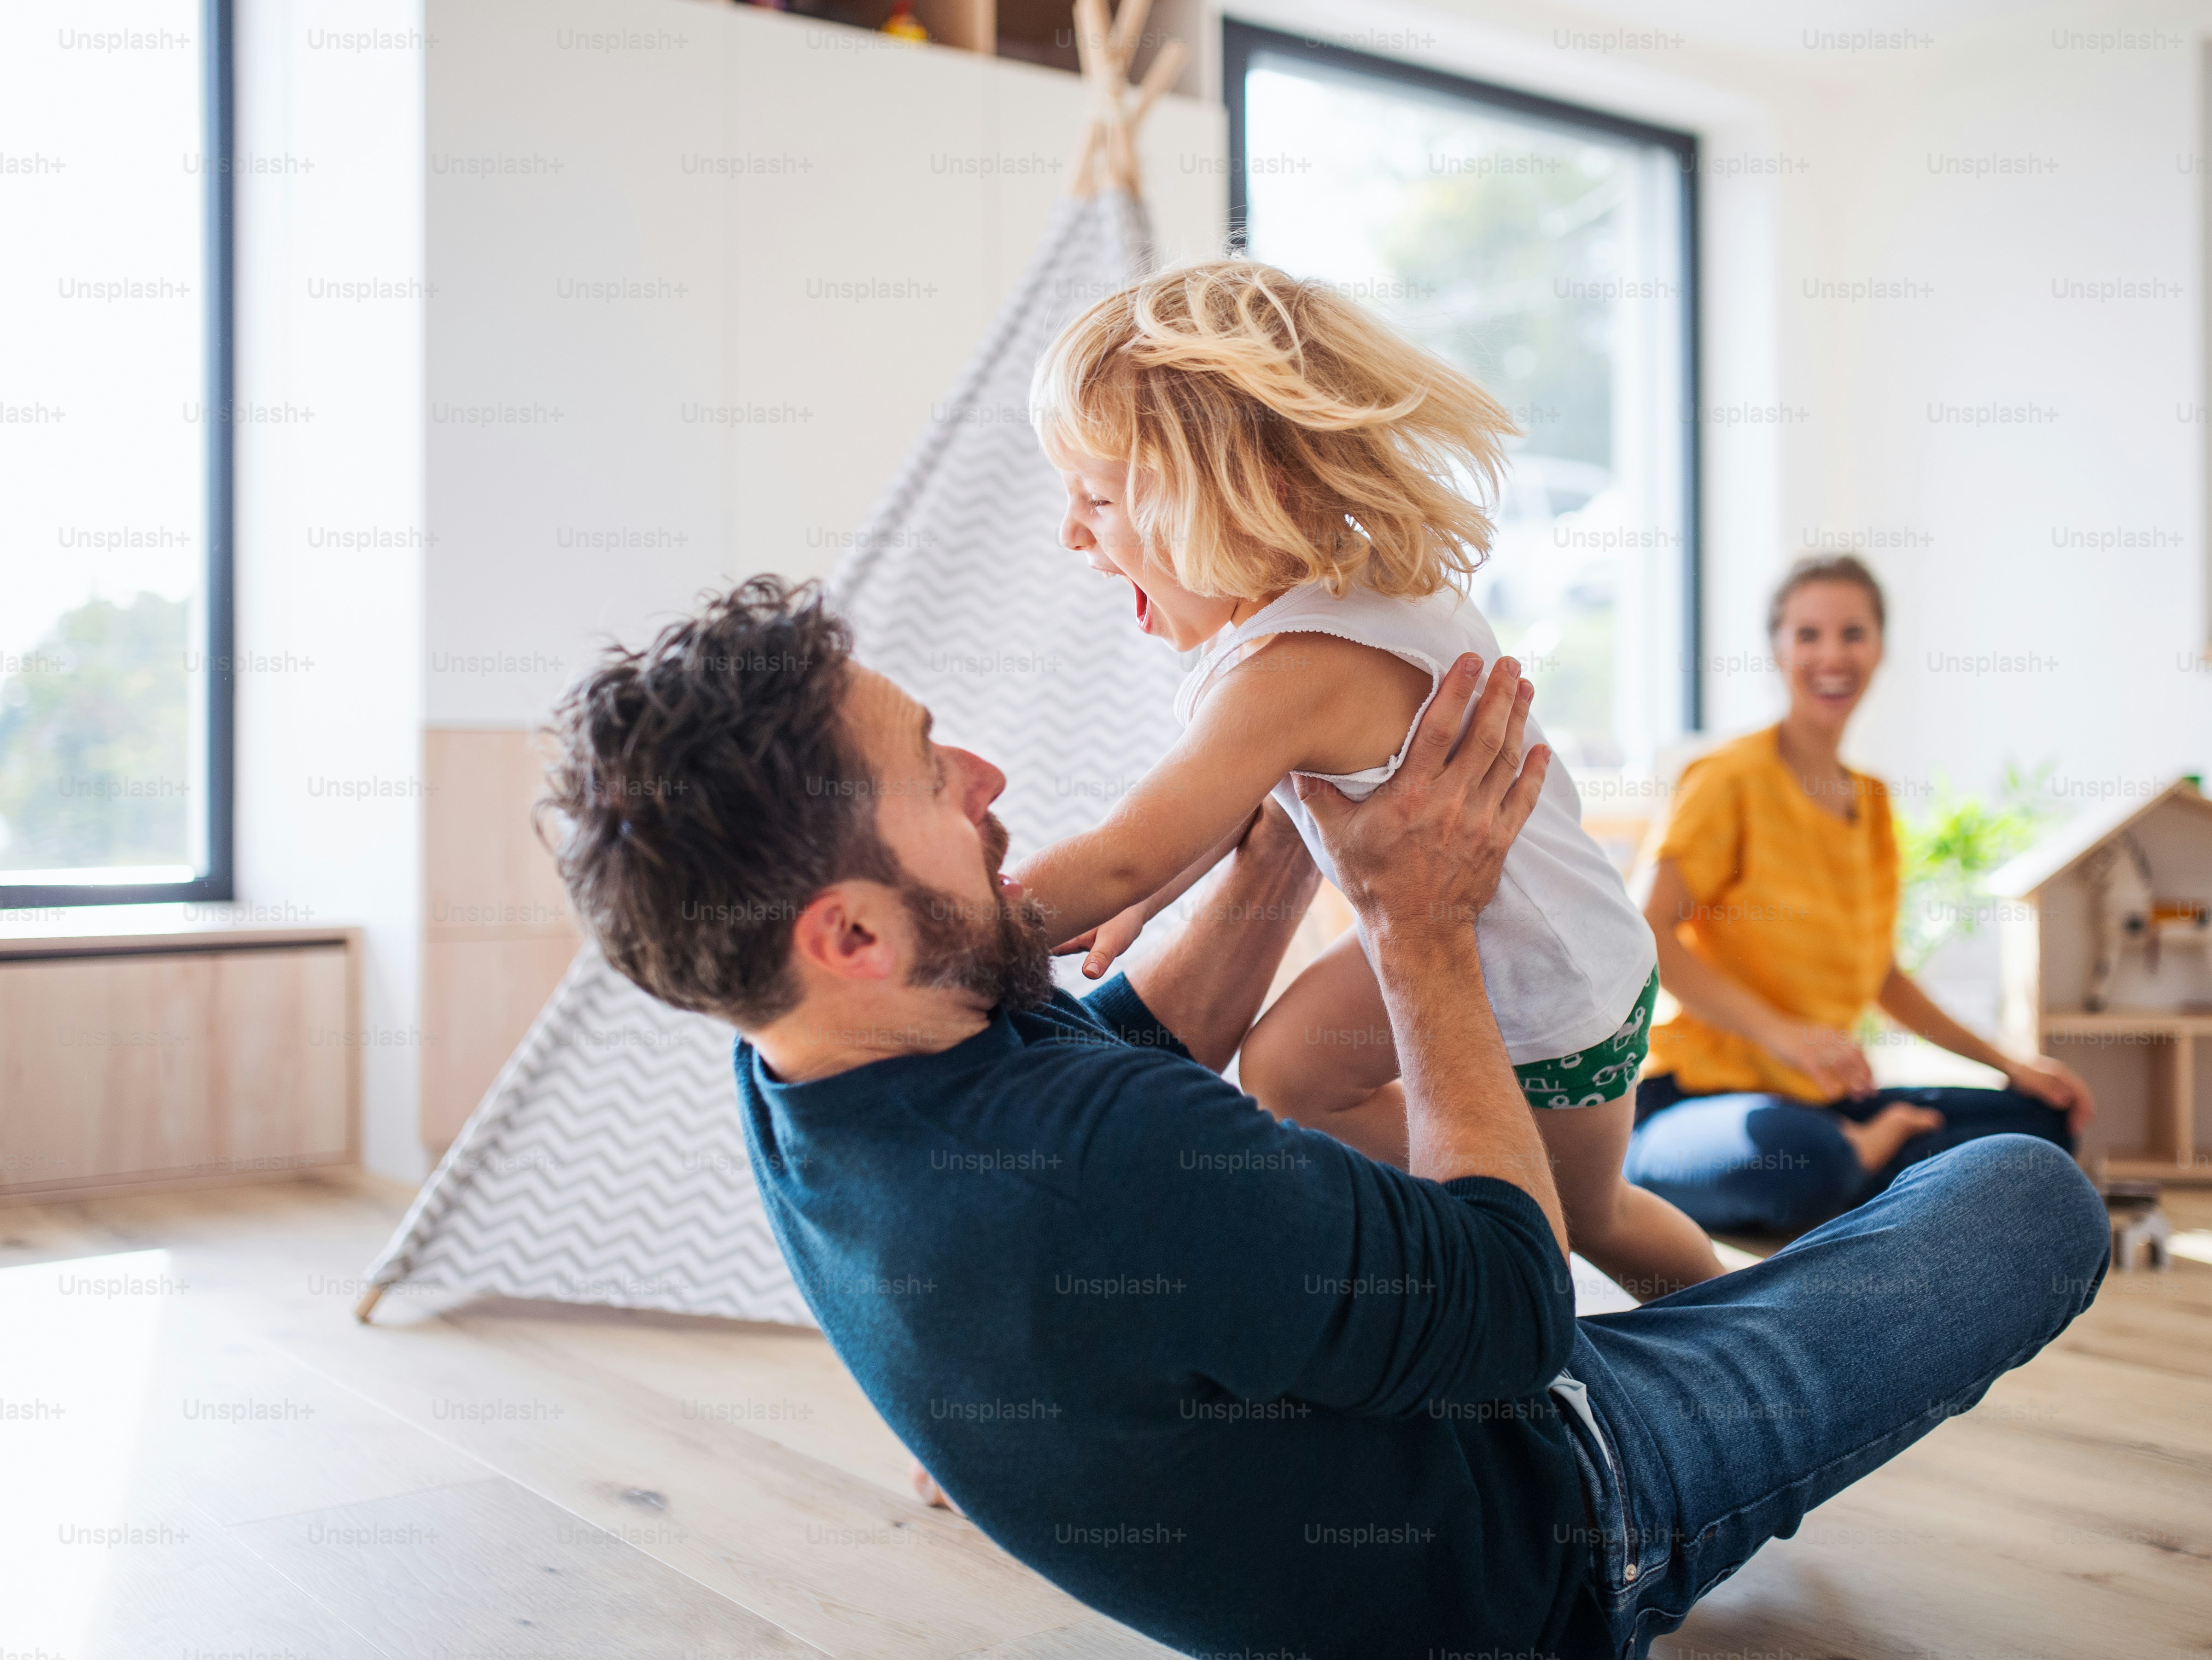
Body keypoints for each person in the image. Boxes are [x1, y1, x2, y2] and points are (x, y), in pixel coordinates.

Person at [540, 575, 2108, 1660]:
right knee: (2029, 1196)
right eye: (934, 776)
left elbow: (1132, 1033)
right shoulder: (1106, 1178)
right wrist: (1417, 928)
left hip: (1396, 1418)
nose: (989, 775)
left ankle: (1764, 1330)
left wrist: (1284, 811)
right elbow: (1508, 1302)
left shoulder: (808, 1061)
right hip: (1550, 1526)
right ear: (850, 934)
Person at [1010, 258, 1720, 1298]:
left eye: (1098, 498)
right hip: (1494, 940)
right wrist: (1143, 900)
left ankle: (1720, 1318)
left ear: (1239, 496)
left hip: (1548, 989)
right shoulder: (1337, 591)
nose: (1071, 531)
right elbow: (1212, 810)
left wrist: (968, 930)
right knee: (1290, 1074)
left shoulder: (1295, 667)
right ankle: (1461, 1204)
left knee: (1587, 1218)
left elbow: (1127, 845)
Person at [1624, 554, 2098, 1235]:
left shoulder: (1872, 804)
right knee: (1801, 1159)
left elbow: (1883, 978)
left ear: (1879, 649)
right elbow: (1646, 933)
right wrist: (1784, 1036)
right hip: (1694, 1102)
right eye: (1808, 635)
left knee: (2040, 1124)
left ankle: (1869, 1156)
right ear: (1778, 650)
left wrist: (2011, 1065)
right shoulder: (1727, 779)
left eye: (1853, 634)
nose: (1832, 656)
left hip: (1824, 1100)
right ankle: (1867, 1159)